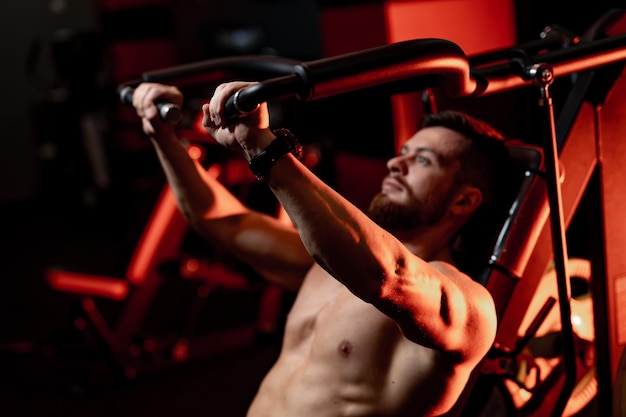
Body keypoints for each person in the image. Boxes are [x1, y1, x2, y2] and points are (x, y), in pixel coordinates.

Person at [131, 80, 512, 417]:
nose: (397, 163)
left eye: (424, 160)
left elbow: (390, 275)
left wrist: (263, 147)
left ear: (463, 202)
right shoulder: (325, 264)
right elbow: (219, 220)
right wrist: (163, 137)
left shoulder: (469, 307)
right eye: (404, 152)